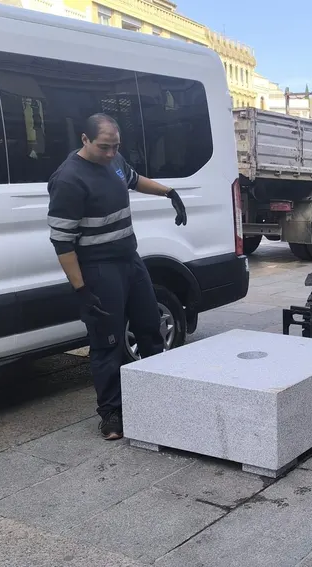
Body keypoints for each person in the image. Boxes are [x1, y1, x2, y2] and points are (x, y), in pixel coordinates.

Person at [47, 113, 188, 440]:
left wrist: (169, 193)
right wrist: (81, 290)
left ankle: (157, 396)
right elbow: (62, 242)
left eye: (116, 147)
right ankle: (111, 413)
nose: (111, 153)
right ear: (85, 139)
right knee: (107, 342)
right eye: (104, 147)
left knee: (150, 329)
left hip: (129, 261)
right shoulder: (68, 179)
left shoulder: (115, 160)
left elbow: (134, 180)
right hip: (99, 268)